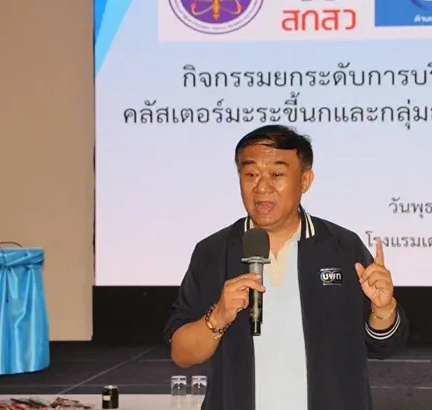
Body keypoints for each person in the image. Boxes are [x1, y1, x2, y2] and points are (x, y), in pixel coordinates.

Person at [164, 125, 409, 410]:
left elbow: (384, 346)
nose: (262, 187)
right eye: (251, 174)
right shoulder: (213, 252)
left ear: (305, 181)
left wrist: (383, 308)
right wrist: (218, 317)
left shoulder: (342, 247)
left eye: (277, 175)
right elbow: (181, 354)